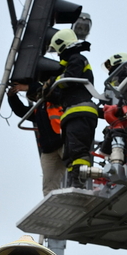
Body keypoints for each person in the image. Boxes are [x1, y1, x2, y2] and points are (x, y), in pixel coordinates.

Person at [45, 29, 100, 189]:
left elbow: (69, 79)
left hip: (80, 111)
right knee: (70, 153)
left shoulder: (77, 58)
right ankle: (74, 181)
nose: (57, 55)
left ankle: (79, 182)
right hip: (72, 113)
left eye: (57, 50)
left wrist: (54, 82)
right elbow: (62, 92)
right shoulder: (70, 62)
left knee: (78, 150)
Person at [7, 82, 66, 196]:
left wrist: (28, 86)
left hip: (63, 142)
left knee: (77, 169)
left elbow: (47, 91)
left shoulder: (56, 99)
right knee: (49, 184)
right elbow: (21, 111)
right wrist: (12, 97)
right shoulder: (38, 110)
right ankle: (50, 204)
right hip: (48, 150)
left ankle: (85, 188)